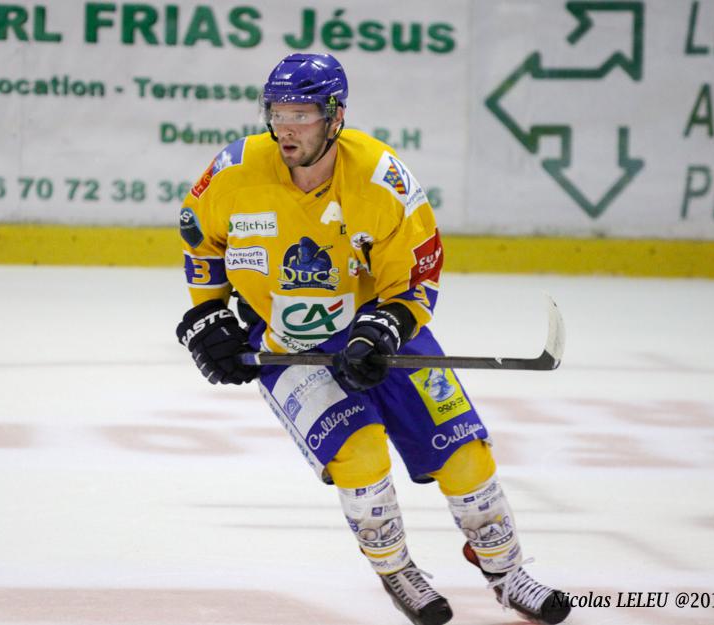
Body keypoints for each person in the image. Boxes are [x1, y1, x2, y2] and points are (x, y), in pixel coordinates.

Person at [175, 52, 571, 625]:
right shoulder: (234, 172)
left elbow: (418, 276)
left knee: (464, 456)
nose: (285, 127)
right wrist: (209, 316)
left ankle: (508, 572)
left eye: (303, 113)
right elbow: (198, 239)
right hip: (287, 342)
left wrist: (385, 327)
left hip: (378, 332)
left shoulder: (382, 178)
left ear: (335, 116)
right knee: (359, 454)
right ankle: (396, 571)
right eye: (277, 112)